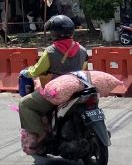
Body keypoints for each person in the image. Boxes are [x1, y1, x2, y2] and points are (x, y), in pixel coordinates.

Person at [17, 15, 88, 152]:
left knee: (24, 104)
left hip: (58, 92)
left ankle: (41, 133)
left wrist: (25, 73)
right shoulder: (83, 50)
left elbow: (36, 71)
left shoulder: (51, 51)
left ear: (54, 33)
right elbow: (84, 69)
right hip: (78, 89)